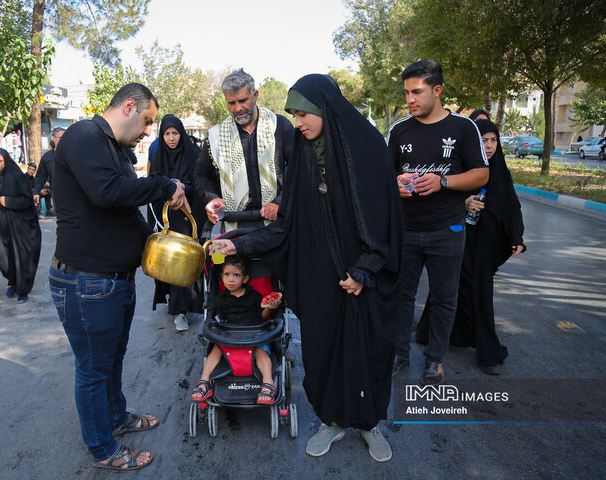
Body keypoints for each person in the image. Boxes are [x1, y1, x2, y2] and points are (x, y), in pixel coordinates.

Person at [213, 74, 403, 462]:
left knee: (368, 352)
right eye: (294, 115)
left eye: (303, 114)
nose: (298, 123)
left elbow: (386, 219)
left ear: (324, 107)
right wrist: (237, 243)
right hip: (321, 280)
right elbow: (288, 224)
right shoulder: (302, 151)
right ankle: (331, 420)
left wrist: (366, 269)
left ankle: (369, 424)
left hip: (363, 280)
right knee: (323, 352)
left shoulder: (366, 146)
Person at [48, 83, 189, 472]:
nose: (147, 131)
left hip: (112, 281)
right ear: (129, 106)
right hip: (86, 282)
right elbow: (108, 193)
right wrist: (164, 184)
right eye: (146, 121)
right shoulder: (83, 137)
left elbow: (124, 209)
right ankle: (102, 448)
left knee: (111, 360)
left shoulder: (115, 149)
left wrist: (155, 242)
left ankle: (115, 417)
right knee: (94, 369)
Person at [387, 59, 489, 385]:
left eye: (417, 92)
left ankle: (434, 360)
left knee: (445, 298)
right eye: (406, 93)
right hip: (406, 230)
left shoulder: (462, 128)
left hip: (448, 229)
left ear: (437, 90)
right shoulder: (400, 130)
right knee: (401, 296)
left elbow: (482, 173)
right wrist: (397, 183)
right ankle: (399, 352)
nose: (410, 99)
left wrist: (443, 182)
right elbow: (385, 176)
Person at [416, 119, 526, 375]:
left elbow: (511, 205)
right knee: (447, 288)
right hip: (455, 235)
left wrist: (516, 237)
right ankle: (430, 333)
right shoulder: (460, 165)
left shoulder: (499, 169)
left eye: (493, 140)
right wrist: (463, 202)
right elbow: (440, 193)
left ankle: (487, 352)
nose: (488, 146)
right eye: (483, 140)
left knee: (480, 292)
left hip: (484, 244)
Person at [193, 68, 294, 230]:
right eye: (231, 103)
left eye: (242, 100)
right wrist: (211, 198)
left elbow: (298, 169)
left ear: (255, 96)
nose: (237, 108)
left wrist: (279, 202)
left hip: (276, 220)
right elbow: (201, 173)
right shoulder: (217, 135)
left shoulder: (279, 125)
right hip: (235, 225)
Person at [190, 255, 282, 404]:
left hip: (255, 334)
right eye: (227, 275)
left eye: (236, 275)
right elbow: (216, 318)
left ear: (245, 279)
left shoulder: (254, 296)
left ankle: (268, 383)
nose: (231, 279)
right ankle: (203, 381)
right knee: (216, 350)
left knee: (260, 352)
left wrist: (270, 309)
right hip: (228, 335)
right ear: (221, 277)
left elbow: (263, 316)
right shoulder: (220, 299)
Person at [147, 114, 206, 331]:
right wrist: (169, 188)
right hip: (166, 217)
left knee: (185, 262)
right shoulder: (158, 155)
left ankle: (181, 310)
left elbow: (201, 184)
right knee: (166, 263)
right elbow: (152, 184)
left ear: (182, 134)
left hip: (190, 216)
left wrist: (182, 188)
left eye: (175, 133)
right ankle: (174, 302)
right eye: (167, 134)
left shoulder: (194, 154)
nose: (171, 138)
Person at [0, 148, 41, 303]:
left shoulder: (16, 176)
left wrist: (9, 202)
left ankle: (22, 289)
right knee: (1, 258)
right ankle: (12, 281)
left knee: (21, 258)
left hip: (18, 226)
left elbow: (27, 201)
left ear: (5, 161)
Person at [33, 127, 63, 217]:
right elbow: (40, 177)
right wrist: (36, 192)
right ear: (54, 138)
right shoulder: (47, 158)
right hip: (57, 194)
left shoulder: (73, 154)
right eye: (61, 137)